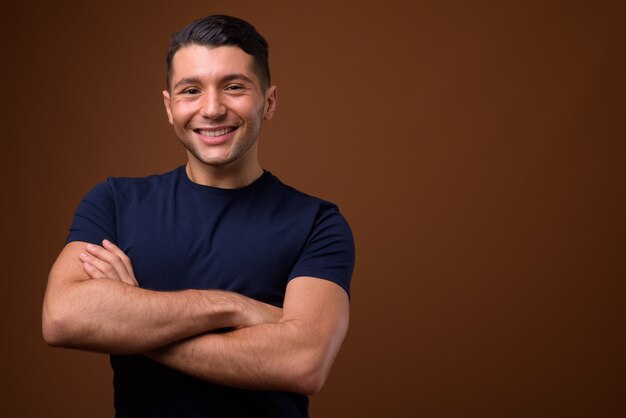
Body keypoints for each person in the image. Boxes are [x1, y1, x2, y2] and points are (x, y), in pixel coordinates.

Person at [42, 15, 354, 418]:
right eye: (191, 90)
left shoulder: (317, 223)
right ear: (170, 108)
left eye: (234, 87)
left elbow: (303, 363)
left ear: (269, 101)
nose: (212, 108)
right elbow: (63, 317)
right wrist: (233, 307)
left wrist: (130, 320)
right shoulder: (114, 202)